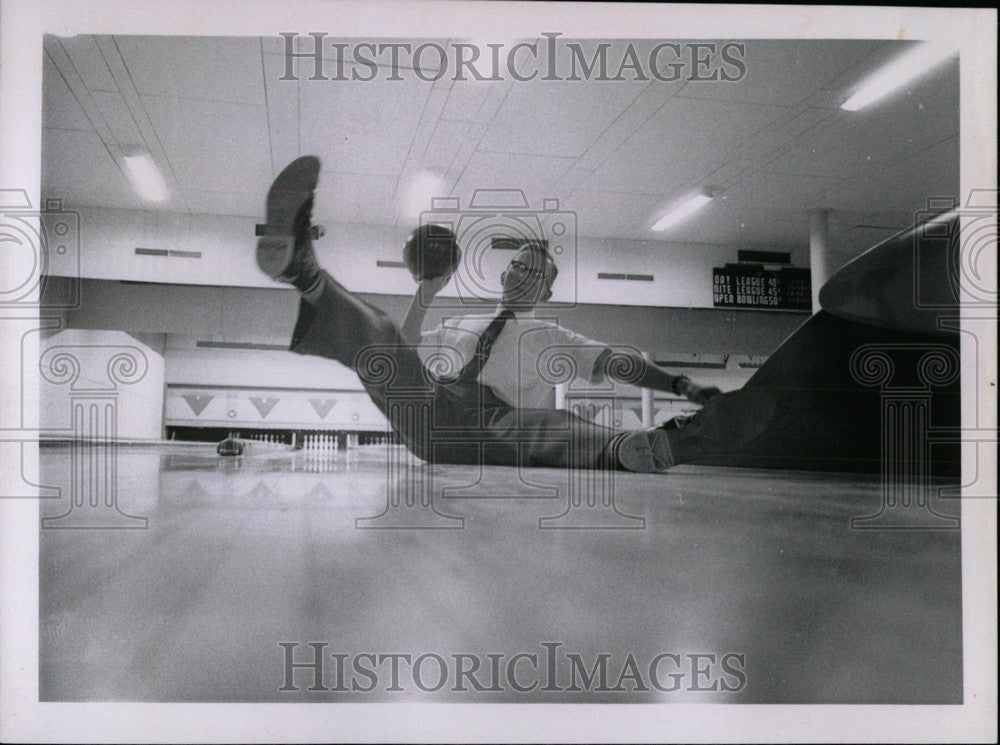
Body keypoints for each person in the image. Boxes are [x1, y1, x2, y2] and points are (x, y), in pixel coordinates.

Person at [253, 156, 769, 472]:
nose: (522, 273)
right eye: (516, 266)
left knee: (555, 424)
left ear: (545, 289)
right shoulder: (457, 324)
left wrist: (681, 385)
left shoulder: (552, 333)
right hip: (432, 408)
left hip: (496, 424)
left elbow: (619, 363)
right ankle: (302, 271)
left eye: (534, 272)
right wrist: (427, 292)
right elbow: (401, 353)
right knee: (382, 337)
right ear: (503, 276)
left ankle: (643, 447)